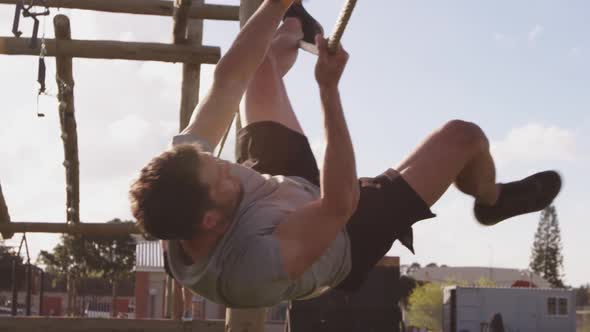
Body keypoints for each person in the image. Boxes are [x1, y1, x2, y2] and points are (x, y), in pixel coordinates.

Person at [129, 0, 561, 308]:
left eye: (216, 158)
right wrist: (328, 90)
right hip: (341, 233)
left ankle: (296, 23)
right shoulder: (247, 271)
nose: (226, 164)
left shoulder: (185, 179)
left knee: (257, 69)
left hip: (280, 189)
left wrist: (277, 4)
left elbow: (227, 81)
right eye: (221, 175)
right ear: (210, 220)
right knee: (463, 137)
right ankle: (493, 201)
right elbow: (338, 205)